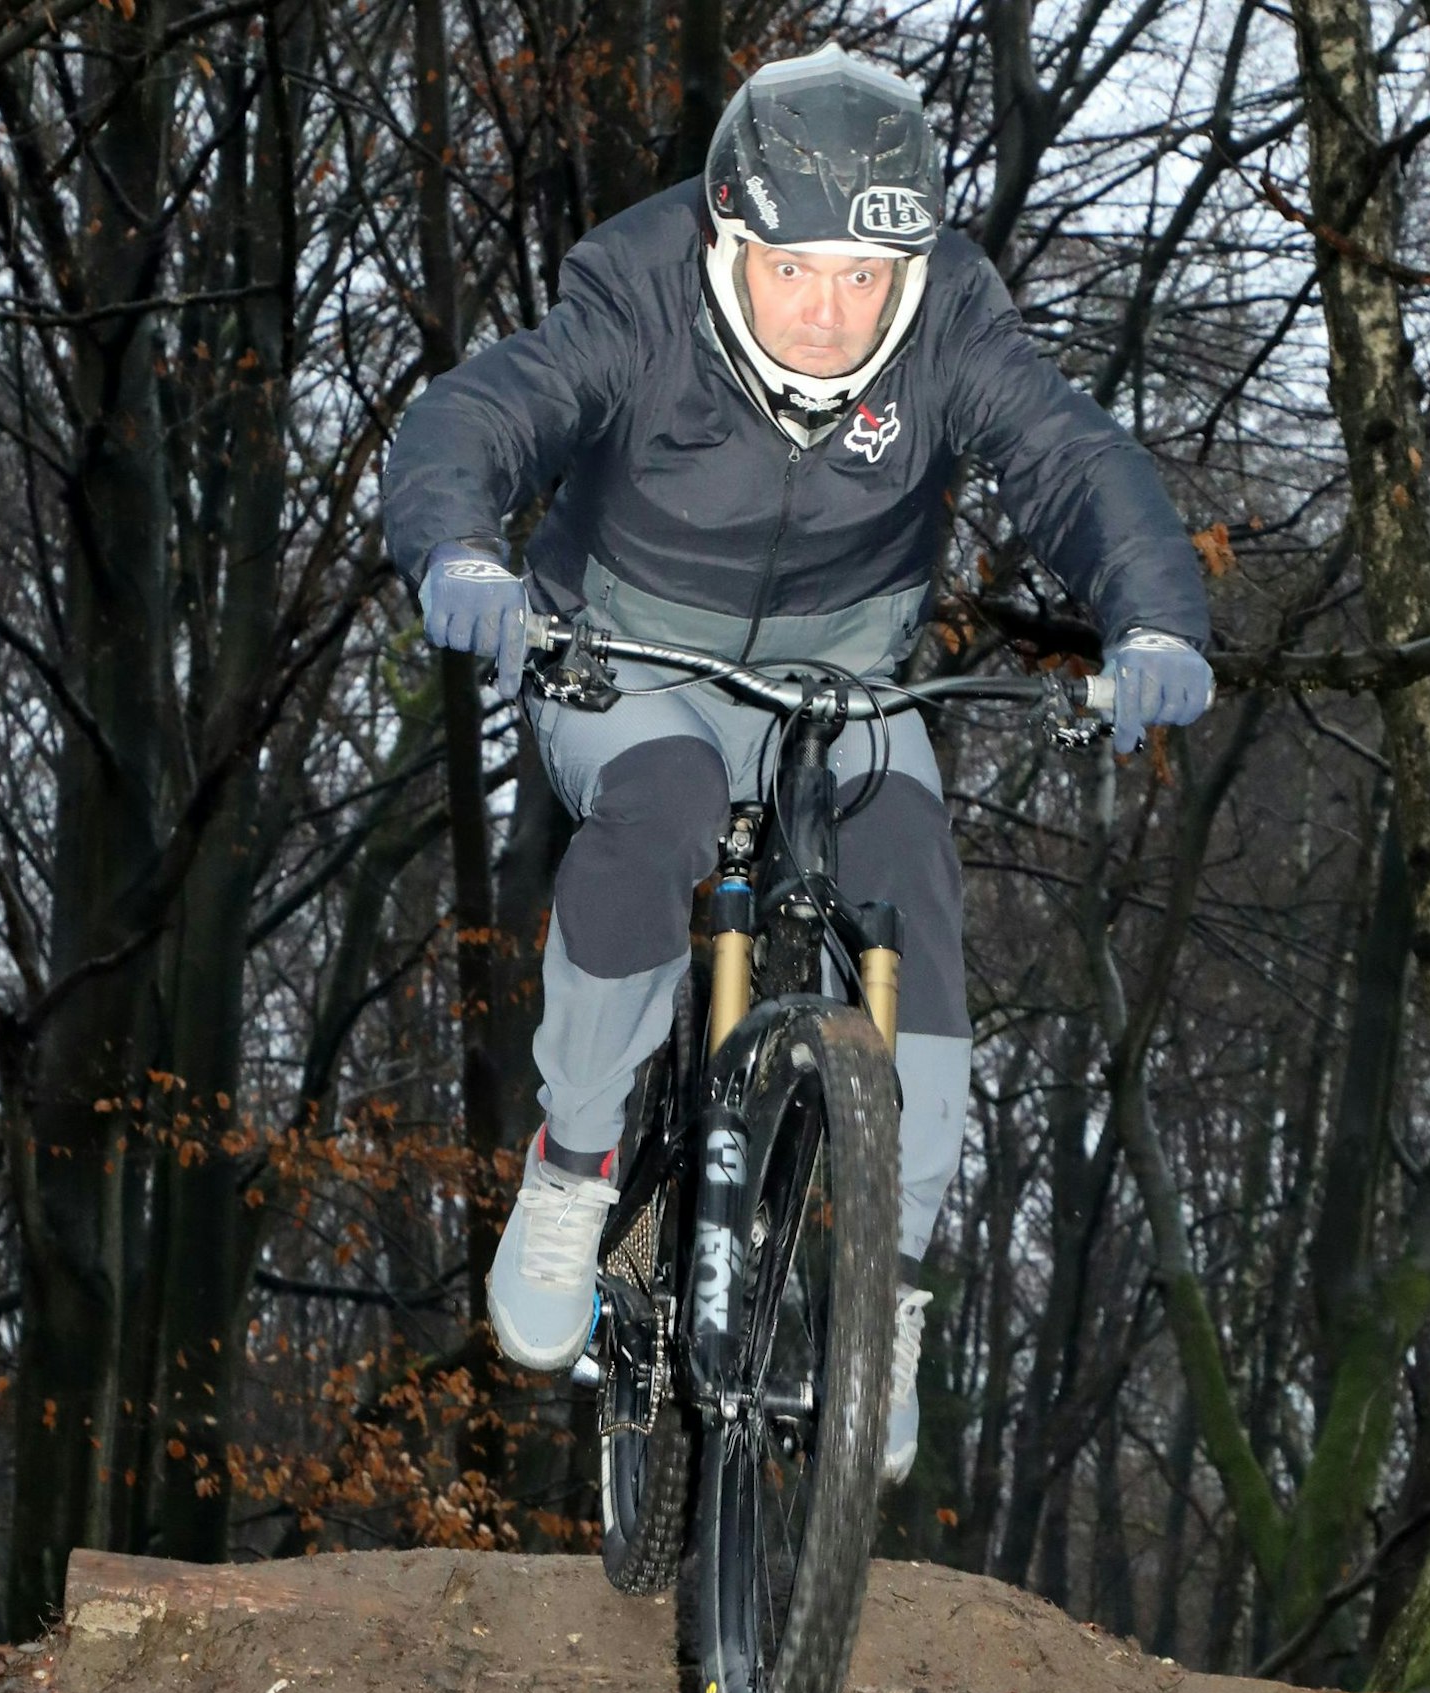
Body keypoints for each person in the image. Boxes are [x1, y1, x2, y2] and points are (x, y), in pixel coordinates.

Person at [382, 45, 1214, 1484]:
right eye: (794, 272)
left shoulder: (952, 321)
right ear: (728, 239)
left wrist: (1153, 617)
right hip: (627, 658)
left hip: (839, 680)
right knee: (663, 810)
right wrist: (458, 547)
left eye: (863, 278)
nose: (830, 313)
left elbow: (1072, 460)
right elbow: (482, 413)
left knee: (910, 882)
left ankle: (879, 1294)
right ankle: (579, 1173)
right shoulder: (637, 290)